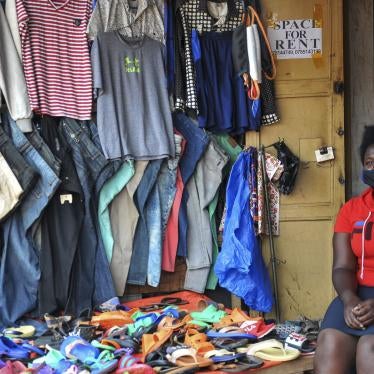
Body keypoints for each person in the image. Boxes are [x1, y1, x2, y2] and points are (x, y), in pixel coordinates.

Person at [315, 126, 374, 374]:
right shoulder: (352, 210)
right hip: (357, 292)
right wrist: (349, 300)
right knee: (330, 344)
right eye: (369, 162)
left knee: (370, 350)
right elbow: (342, 267)